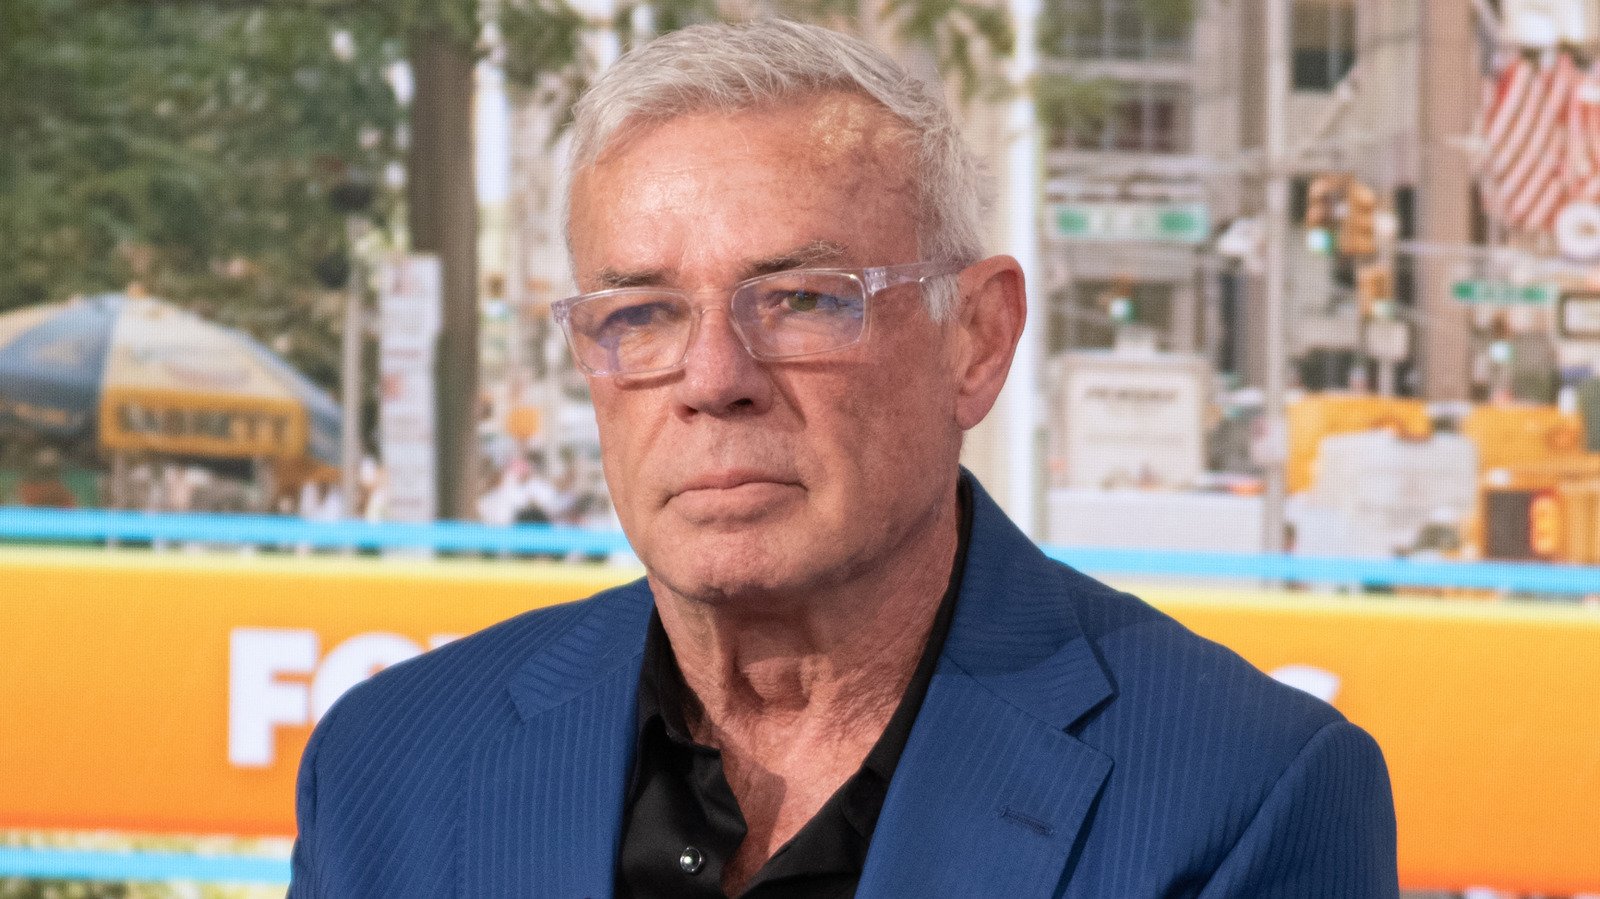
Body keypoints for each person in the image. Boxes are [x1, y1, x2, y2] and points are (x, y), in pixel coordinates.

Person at [290, 20, 1396, 898]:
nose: (714, 376)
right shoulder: (390, 766)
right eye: (641, 313)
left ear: (977, 341)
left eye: (803, 300)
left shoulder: (1243, 793)